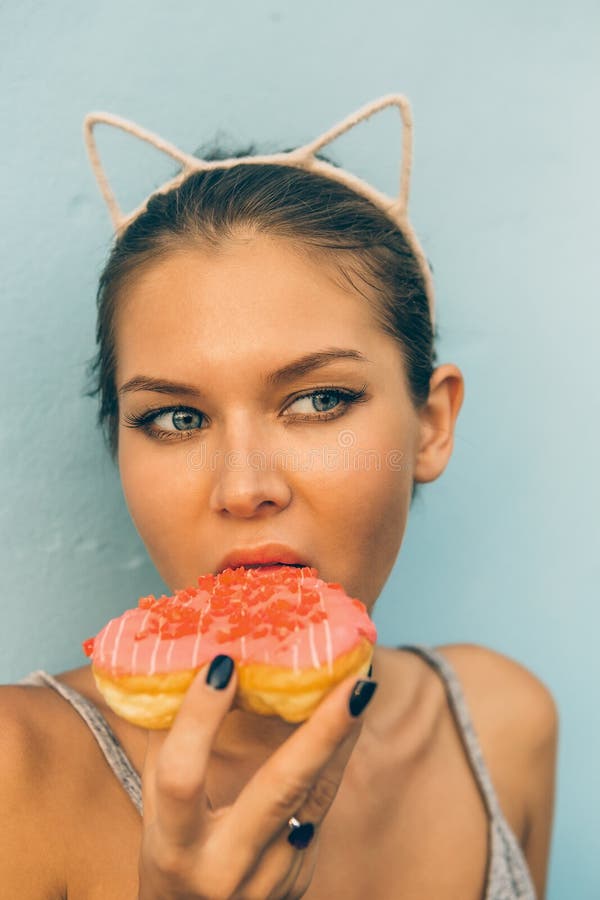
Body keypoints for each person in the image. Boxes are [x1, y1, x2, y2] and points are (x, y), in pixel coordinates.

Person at [1, 96, 558, 899]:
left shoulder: (507, 727)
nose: (245, 487)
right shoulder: (18, 774)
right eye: (175, 418)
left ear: (431, 426)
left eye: (319, 401)